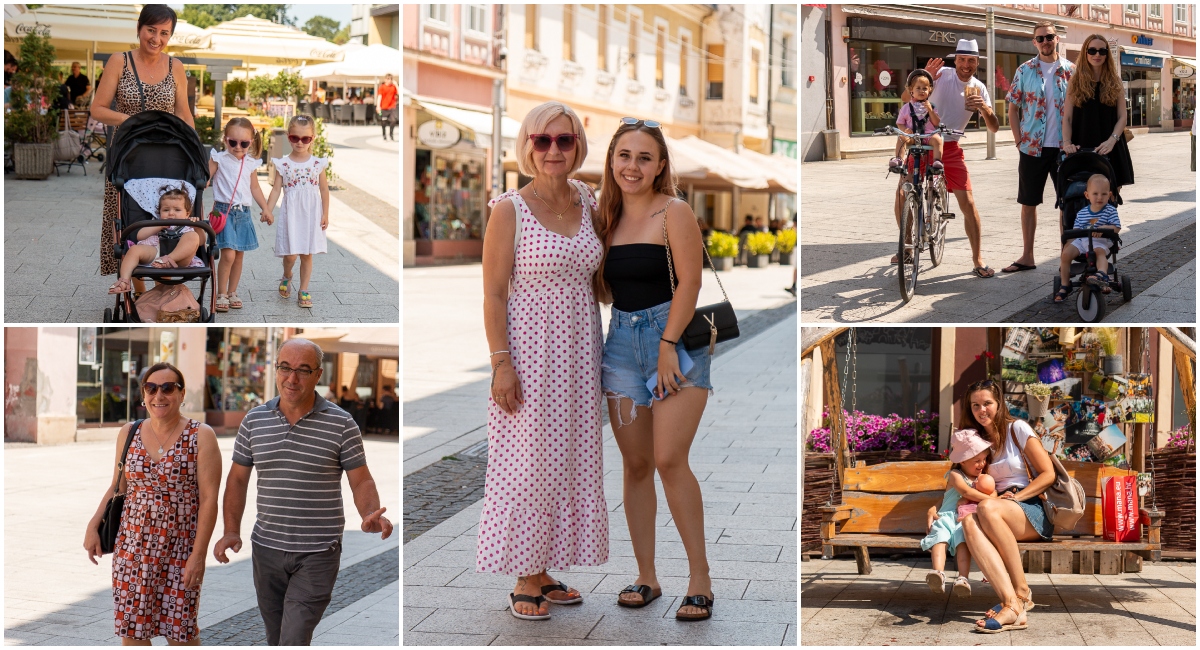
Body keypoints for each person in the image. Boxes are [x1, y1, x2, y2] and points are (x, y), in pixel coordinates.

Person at [479, 100, 607, 621]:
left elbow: (599, 278)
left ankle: (547, 567)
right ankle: (524, 577)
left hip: (580, 354)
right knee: (530, 464)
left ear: (578, 145)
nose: (553, 150)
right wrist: (500, 364)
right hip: (530, 355)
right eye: (542, 140)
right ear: (528, 146)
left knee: (571, 461)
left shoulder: (588, 199)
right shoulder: (509, 208)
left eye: (564, 140)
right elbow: (492, 294)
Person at [596, 117, 715, 621]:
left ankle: (700, 577)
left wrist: (667, 344)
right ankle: (646, 576)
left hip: (677, 341)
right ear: (611, 161)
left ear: (661, 164)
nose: (633, 166)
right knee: (637, 465)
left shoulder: (675, 211)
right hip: (621, 343)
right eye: (624, 155)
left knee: (669, 459)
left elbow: (691, 282)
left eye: (645, 157)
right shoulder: (605, 216)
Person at [213, 338, 392, 646]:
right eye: (285, 368)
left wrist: (368, 513)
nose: (291, 378)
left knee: (293, 638)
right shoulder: (254, 420)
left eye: (302, 370)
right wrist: (231, 530)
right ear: (276, 369)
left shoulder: (341, 423)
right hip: (266, 549)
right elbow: (237, 480)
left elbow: (361, 479)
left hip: (318, 552)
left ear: (318, 375)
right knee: (276, 637)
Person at [84, 362, 222, 645]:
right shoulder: (129, 432)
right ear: (143, 395)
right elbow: (117, 486)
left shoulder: (201, 435)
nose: (159, 395)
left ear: (182, 394)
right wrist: (93, 524)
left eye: (168, 388)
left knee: (181, 633)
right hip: (132, 549)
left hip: (180, 550)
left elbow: (209, 499)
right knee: (132, 633)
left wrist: (199, 555)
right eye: (151, 388)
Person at [92, 4, 195, 285]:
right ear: (139, 29)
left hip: (166, 155)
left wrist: (195, 153)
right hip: (127, 154)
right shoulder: (119, 61)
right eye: (151, 30)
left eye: (164, 33)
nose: (156, 38)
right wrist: (133, 121)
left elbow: (184, 114)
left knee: (170, 214)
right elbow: (98, 109)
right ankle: (137, 290)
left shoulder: (176, 66)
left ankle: (167, 280)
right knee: (129, 218)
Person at [958, 380, 1056, 633]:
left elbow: (1048, 474)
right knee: (969, 520)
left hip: (1030, 508)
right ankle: (1011, 605)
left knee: (987, 509)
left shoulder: (1018, 429)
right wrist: (936, 507)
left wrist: (1017, 497)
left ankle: (1022, 592)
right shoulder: (973, 440)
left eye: (987, 403)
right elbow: (957, 478)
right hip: (993, 506)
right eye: (975, 405)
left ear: (999, 404)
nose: (982, 411)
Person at [911, 39, 1001, 277]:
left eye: (971, 60)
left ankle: (978, 259)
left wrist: (984, 108)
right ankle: (906, 248)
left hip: (950, 147)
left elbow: (994, 128)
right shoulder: (939, 75)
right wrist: (924, 76)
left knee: (968, 203)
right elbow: (904, 99)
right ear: (956, 59)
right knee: (904, 191)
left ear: (976, 63)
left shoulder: (979, 88)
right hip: (922, 143)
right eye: (961, 59)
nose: (965, 64)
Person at [1002, 21, 1075, 274]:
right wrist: (1018, 140)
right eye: (1040, 38)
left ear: (1057, 39)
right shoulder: (1024, 70)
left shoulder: (1070, 71)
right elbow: (1012, 106)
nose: (1045, 42)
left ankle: (1066, 256)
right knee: (1028, 202)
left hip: (1064, 149)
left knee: (1067, 202)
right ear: (1034, 42)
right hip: (1032, 148)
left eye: (1049, 37)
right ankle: (1027, 256)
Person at [263, 115, 329, 309]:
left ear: (313, 138)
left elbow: (324, 190)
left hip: (311, 215)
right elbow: (276, 189)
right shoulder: (283, 164)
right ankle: (287, 275)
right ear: (287, 136)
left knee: (307, 254)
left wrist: (325, 213)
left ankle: (304, 289)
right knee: (291, 255)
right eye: (295, 138)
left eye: (305, 139)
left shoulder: (317, 164)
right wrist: (268, 209)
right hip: (291, 214)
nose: (300, 142)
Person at [922, 429, 995, 598]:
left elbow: (993, 495)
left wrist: (995, 496)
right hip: (946, 516)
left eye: (984, 460)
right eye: (977, 460)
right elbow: (966, 492)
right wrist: (988, 497)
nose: (982, 464)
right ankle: (938, 573)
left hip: (965, 520)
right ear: (962, 461)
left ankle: (963, 578)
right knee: (939, 537)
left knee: (963, 543)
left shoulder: (983, 479)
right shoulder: (955, 475)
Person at [209, 117, 270, 312]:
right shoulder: (218, 158)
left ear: (251, 142)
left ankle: (233, 291)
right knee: (228, 254)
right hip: (223, 211)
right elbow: (205, 178)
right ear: (225, 139)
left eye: (244, 143)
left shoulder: (250, 163)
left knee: (239, 255)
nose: (238, 147)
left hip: (243, 213)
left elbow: (255, 187)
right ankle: (221, 293)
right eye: (232, 142)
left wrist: (266, 208)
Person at [1062, 35, 1134, 189]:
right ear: (1085, 53)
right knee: (1081, 197)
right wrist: (1067, 143)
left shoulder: (1115, 81)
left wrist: (1112, 140)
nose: (1097, 55)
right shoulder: (1075, 82)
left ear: (1107, 54)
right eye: (1092, 50)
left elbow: (1122, 116)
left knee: (1110, 198)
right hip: (1082, 145)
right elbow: (1067, 117)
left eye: (1102, 51)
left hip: (1109, 145)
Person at [107, 184, 205, 295]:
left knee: (193, 236)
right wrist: (158, 226)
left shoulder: (189, 225)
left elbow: (201, 241)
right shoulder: (156, 222)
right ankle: (124, 281)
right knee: (134, 249)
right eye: (166, 210)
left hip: (180, 258)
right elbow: (140, 236)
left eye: (177, 210)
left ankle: (169, 259)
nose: (171, 213)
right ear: (159, 212)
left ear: (187, 213)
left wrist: (197, 227)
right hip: (157, 252)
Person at [1055, 174, 1121, 302]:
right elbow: (1076, 231)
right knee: (1065, 254)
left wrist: (1104, 228)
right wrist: (1068, 243)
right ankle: (1065, 284)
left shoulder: (1110, 211)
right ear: (1087, 195)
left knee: (1099, 252)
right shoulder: (1082, 213)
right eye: (1095, 194)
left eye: (1104, 194)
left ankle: (1102, 274)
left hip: (1100, 240)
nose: (1099, 197)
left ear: (1110, 195)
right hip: (1082, 240)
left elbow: (1116, 227)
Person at [889, 69, 944, 174]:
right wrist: (904, 130)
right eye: (918, 88)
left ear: (929, 91)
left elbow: (936, 123)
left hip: (928, 136)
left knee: (938, 139)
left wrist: (930, 111)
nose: (921, 91)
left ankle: (937, 161)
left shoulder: (931, 106)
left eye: (925, 88)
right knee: (901, 138)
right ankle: (899, 159)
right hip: (912, 136)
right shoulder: (906, 107)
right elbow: (899, 122)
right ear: (911, 90)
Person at [377, 73, 398, 141]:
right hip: (384, 107)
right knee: (384, 122)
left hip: (392, 107)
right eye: (388, 79)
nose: (389, 80)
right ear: (385, 79)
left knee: (393, 121)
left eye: (390, 79)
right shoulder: (382, 87)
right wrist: (378, 106)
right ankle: (384, 135)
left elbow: (399, 93)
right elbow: (379, 97)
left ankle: (391, 134)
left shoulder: (393, 87)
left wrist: (396, 84)